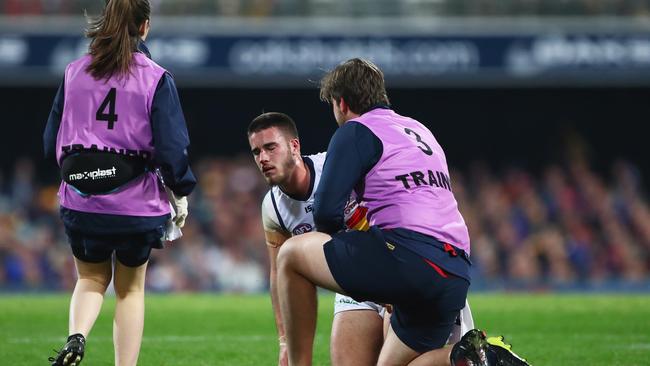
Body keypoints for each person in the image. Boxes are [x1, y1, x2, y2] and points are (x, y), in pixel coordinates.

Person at [274, 58, 530, 366]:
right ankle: (477, 356)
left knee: (290, 255)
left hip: (407, 257)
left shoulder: (355, 131)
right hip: (454, 270)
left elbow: (326, 213)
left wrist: (360, 272)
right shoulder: (421, 131)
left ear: (341, 103)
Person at [247, 112, 477, 366]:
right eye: (256, 152)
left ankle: (473, 356)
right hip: (354, 281)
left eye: (270, 147)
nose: (263, 158)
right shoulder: (272, 208)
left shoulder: (334, 166)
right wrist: (284, 341)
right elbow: (277, 274)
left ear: (294, 146)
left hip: (396, 267)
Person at [43, 1, 196, 365]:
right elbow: (173, 150)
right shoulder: (156, 77)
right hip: (135, 205)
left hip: (81, 201)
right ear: (144, 26)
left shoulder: (74, 72)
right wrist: (181, 189)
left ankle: (77, 336)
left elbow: (51, 141)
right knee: (129, 290)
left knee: (90, 278)